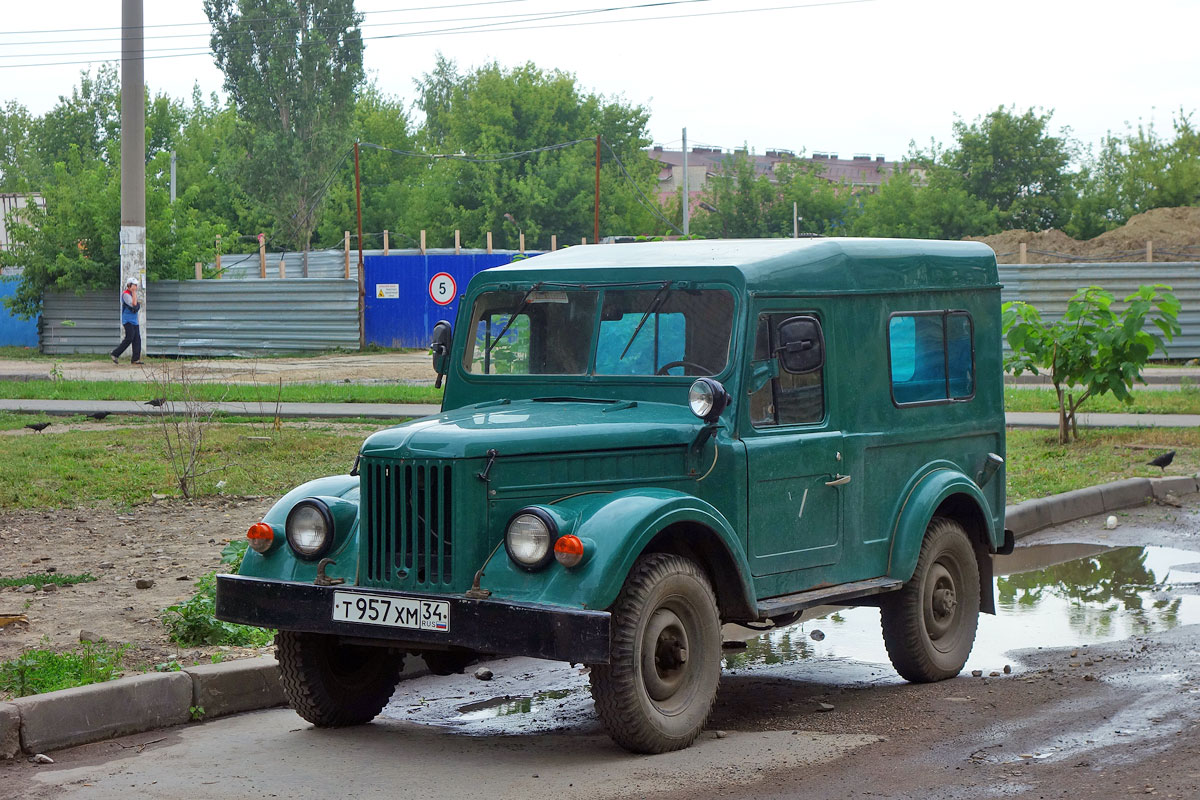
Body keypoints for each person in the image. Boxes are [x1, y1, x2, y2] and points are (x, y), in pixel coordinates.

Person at [110, 279, 142, 365]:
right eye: (134, 285)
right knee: (129, 337)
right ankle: (115, 354)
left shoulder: (132, 294)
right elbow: (134, 304)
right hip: (127, 320)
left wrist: (134, 294)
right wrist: (134, 293)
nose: (136, 287)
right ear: (129, 285)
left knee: (137, 339)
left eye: (136, 285)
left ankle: (135, 359)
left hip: (134, 320)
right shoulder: (126, 294)